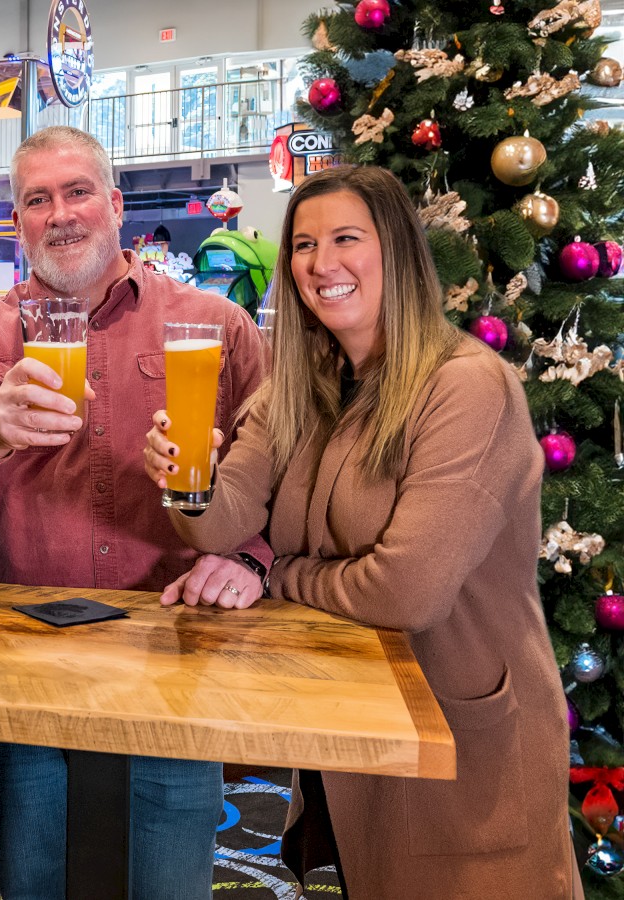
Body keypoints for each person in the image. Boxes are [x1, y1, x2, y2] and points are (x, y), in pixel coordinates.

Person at [144, 165, 581, 899]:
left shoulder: (467, 386)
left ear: (399, 253)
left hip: (456, 736)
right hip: (347, 729)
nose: (321, 264)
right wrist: (184, 479)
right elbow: (223, 521)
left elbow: (407, 590)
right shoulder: (297, 383)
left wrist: (273, 575)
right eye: (304, 245)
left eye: (346, 238)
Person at [0, 125, 272, 899]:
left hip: (170, 653)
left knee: (168, 883)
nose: (60, 213)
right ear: (18, 221)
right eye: (38, 199)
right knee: (34, 881)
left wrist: (244, 560)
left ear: (115, 204)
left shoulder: (215, 325)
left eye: (76, 192)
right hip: (23, 659)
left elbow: (278, 467)